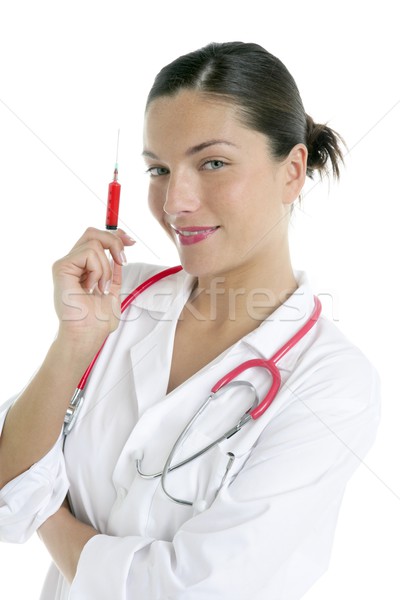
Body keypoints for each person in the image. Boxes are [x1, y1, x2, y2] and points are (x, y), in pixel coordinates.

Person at [0, 41, 380, 599]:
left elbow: (189, 590)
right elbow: (7, 484)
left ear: (293, 171)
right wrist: (74, 341)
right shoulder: (116, 296)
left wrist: (45, 512)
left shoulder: (334, 382)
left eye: (213, 163)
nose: (174, 201)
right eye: (159, 168)